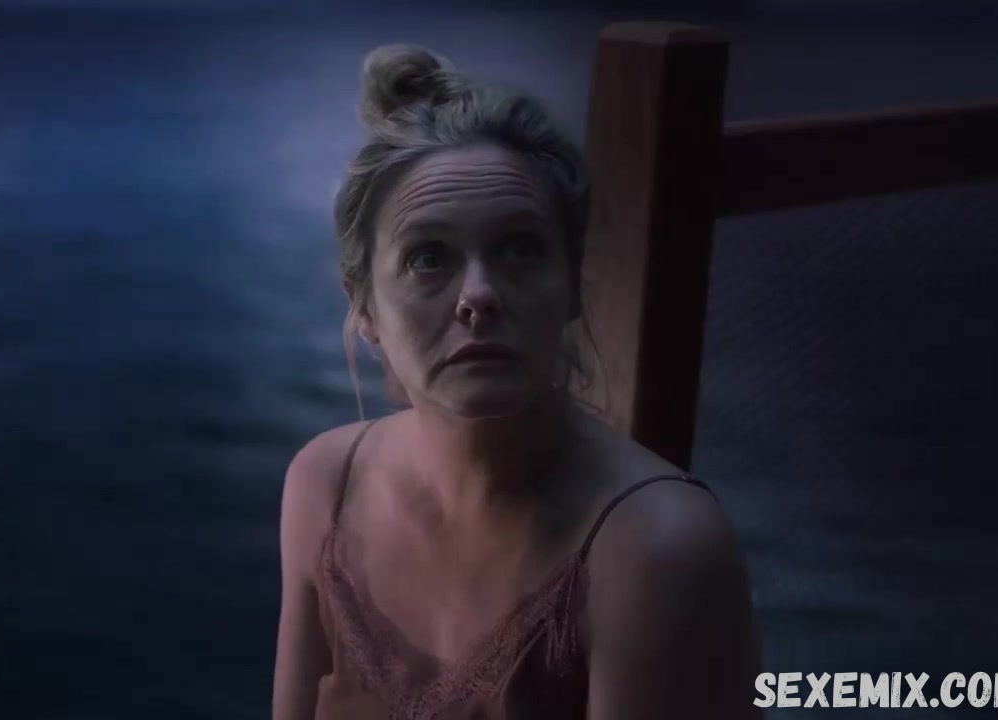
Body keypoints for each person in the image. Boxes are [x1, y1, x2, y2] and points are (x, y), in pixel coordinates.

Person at [271, 44, 762, 720]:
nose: (479, 295)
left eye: (520, 249)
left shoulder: (656, 549)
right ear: (365, 308)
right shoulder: (325, 485)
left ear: (573, 285)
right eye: (428, 258)